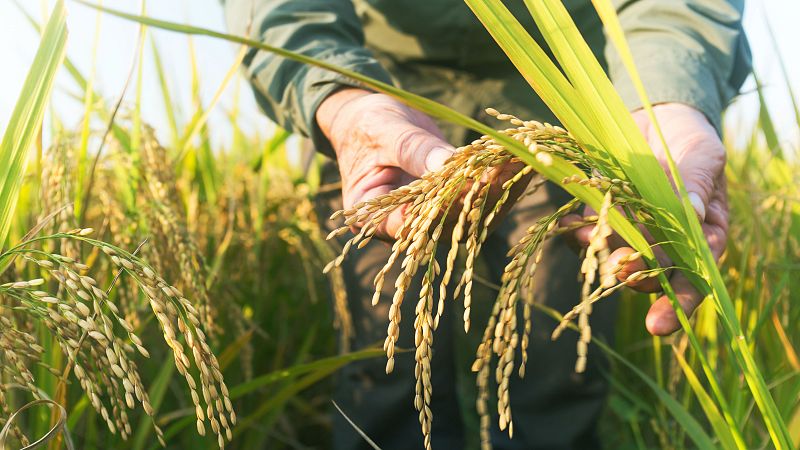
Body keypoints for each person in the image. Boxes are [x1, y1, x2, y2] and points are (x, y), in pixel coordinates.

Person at [223, 1, 750, 448]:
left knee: (551, 360)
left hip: (562, 95)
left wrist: (668, 102)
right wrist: (338, 96)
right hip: (378, 88)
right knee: (386, 358)